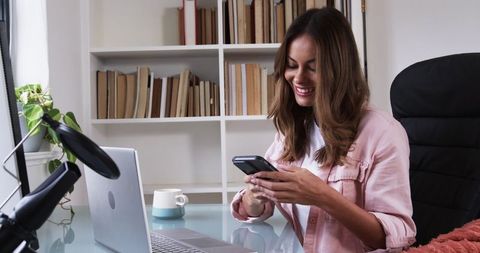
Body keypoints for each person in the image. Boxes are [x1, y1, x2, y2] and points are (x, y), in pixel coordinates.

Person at [230, 7, 417, 253]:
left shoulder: (383, 134)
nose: (298, 78)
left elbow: (393, 237)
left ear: (338, 69)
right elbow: (255, 209)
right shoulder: (292, 131)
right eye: (291, 65)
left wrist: (321, 196)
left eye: (312, 67)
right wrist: (254, 199)